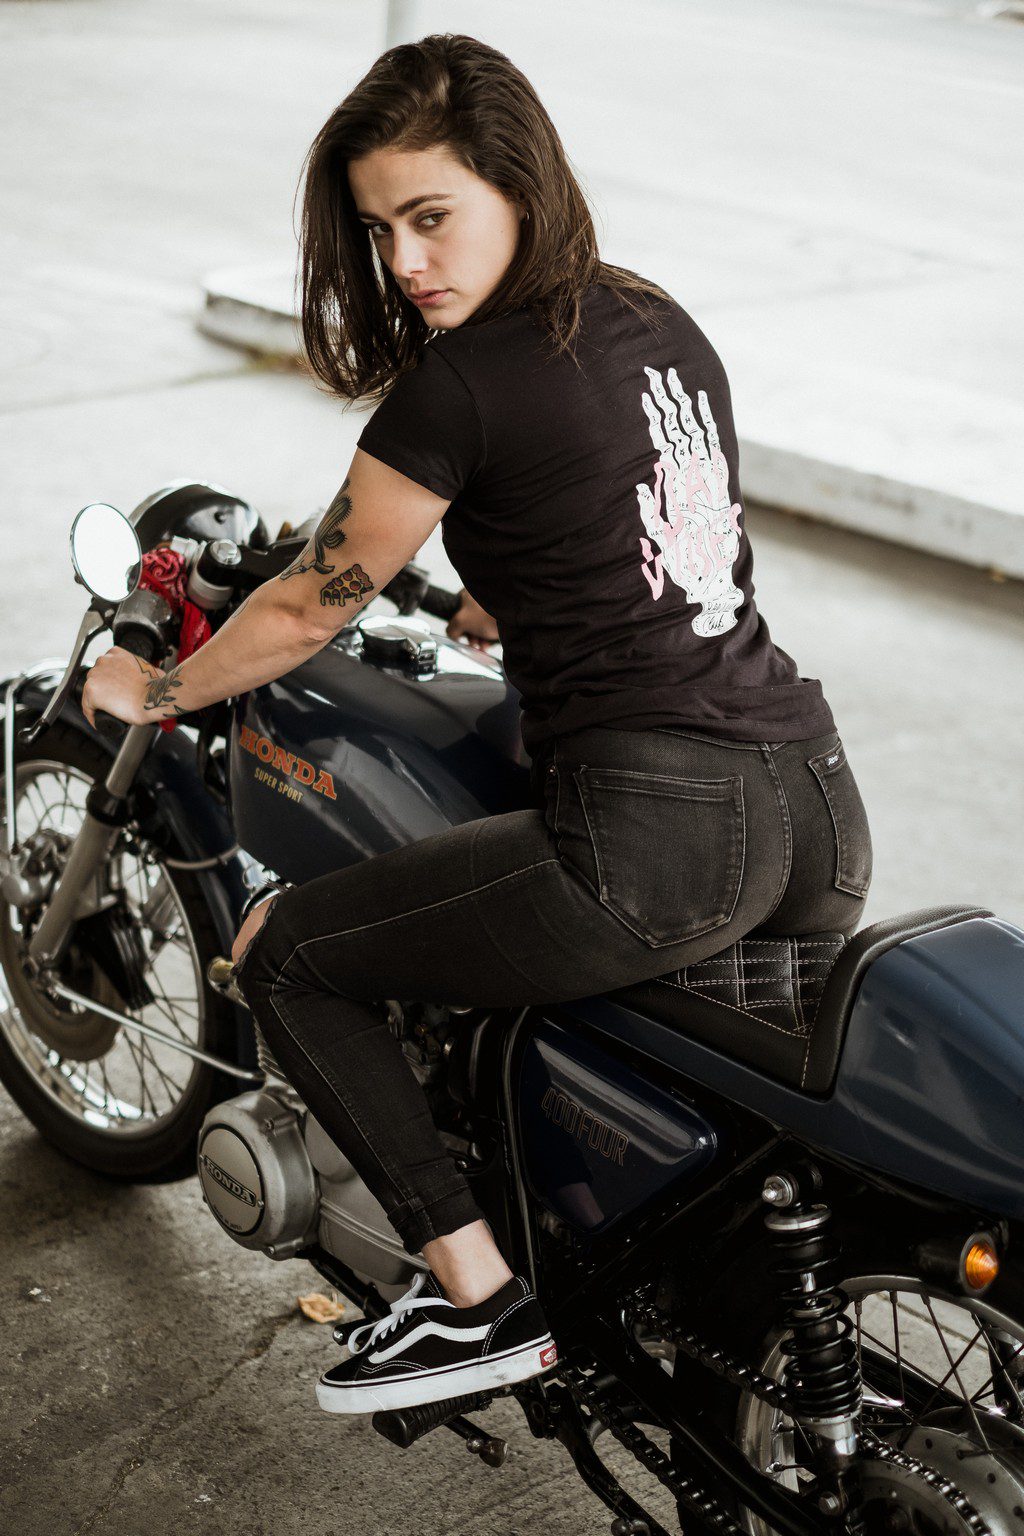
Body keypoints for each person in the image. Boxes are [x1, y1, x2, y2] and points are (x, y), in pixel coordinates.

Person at [82, 33, 873, 1415]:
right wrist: (494, 605)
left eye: (431, 216)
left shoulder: (458, 385)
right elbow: (654, 544)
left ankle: (475, 1299)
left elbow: (302, 610)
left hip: (658, 830)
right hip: (809, 794)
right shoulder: (653, 318)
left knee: (291, 955)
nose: (405, 261)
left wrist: (149, 691)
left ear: (520, 182)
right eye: (380, 230)